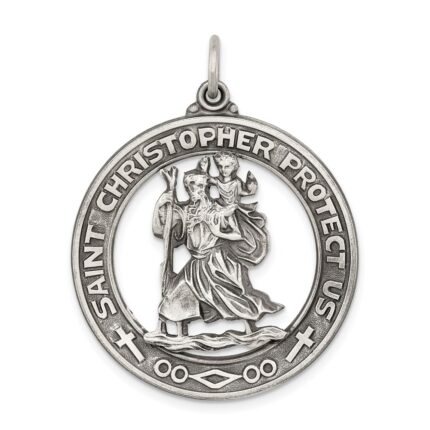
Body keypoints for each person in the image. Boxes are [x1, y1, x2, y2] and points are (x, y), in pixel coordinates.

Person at [152, 160, 283, 337]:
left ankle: (251, 329)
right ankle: (180, 336)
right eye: (190, 186)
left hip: (217, 262)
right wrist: (167, 194)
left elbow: (238, 235)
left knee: (230, 296)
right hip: (196, 263)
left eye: (199, 185)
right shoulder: (185, 211)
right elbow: (163, 229)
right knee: (176, 293)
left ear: (206, 187)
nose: (195, 189)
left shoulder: (219, 210)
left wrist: (217, 232)